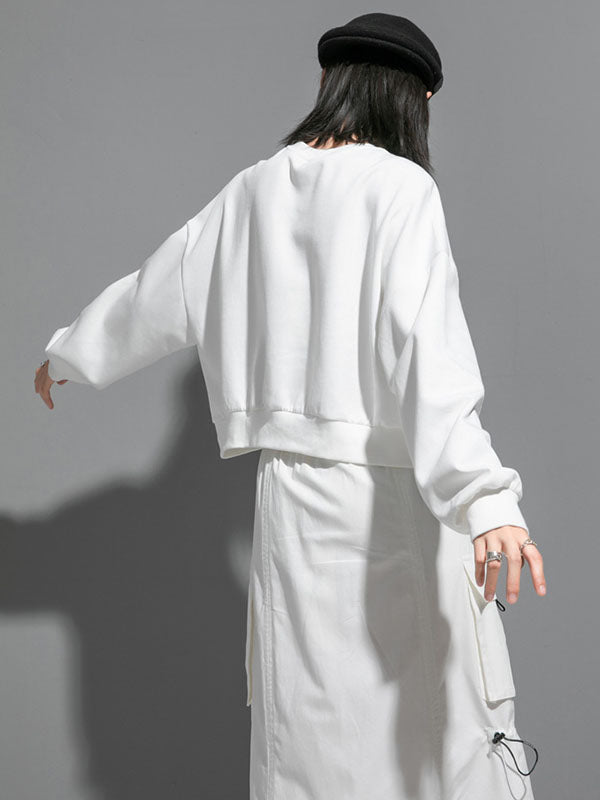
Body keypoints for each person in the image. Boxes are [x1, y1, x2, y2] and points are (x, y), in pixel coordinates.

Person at [35, 12, 546, 800]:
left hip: (291, 504)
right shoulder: (402, 189)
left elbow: (158, 291)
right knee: (429, 741)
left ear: (329, 82)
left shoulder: (256, 188)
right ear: (415, 99)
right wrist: (486, 500)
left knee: (307, 739)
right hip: (394, 503)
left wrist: (71, 353)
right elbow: (428, 355)